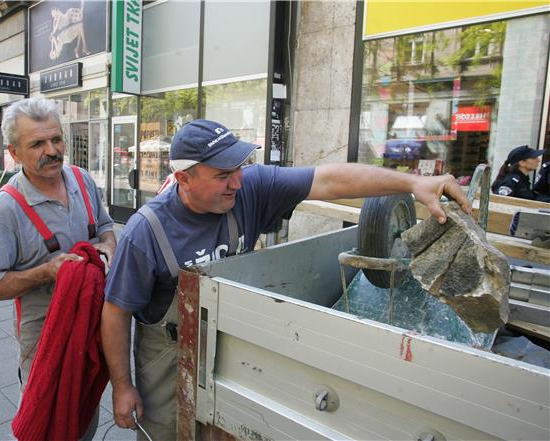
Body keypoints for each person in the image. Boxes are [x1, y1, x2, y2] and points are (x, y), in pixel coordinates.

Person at [101, 119, 471, 441]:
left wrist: (411, 184)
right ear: (184, 178)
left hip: (228, 345)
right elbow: (115, 312)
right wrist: (122, 387)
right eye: (222, 175)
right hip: (167, 359)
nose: (238, 182)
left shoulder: (250, 189)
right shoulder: (145, 232)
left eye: (240, 167)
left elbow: (329, 180)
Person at [0, 98, 116, 440]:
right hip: (44, 341)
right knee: (48, 420)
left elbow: (106, 227)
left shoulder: (82, 181)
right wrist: (46, 272)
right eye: (37, 144)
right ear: (15, 152)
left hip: (92, 325)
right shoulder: (4, 209)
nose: (51, 151)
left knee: (84, 411)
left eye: (56, 140)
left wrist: (108, 247)